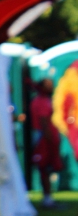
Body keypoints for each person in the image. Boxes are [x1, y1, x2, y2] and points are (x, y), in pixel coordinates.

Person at [31, 78, 63, 208]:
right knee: (45, 166)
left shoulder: (42, 101)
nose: (51, 87)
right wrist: (50, 139)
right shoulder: (42, 102)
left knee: (47, 167)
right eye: (48, 85)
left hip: (46, 137)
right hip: (45, 138)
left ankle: (48, 196)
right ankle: (47, 198)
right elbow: (44, 122)